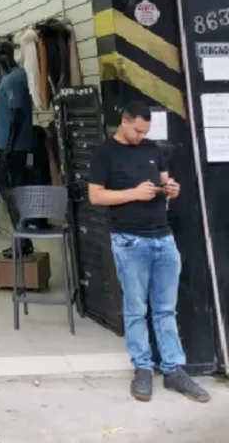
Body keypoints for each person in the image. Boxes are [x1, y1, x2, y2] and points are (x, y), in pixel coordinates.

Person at [88, 100, 209, 404]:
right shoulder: (105, 153)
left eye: (146, 131)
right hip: (129, 240)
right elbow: (96, 196)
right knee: (135, 309)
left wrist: (171, 188)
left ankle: (173, 369)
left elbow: (164, 179)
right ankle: (142, 367)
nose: (142, 136)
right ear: (125, 121)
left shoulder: (153, 149)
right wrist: (134, 193)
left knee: (166, 308)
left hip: (163, 237)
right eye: (138, 130)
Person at [0, 54, 34, 256]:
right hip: (13, 145)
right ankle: (22, 239)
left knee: (12, 194)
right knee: (12, 193)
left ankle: (22, 241)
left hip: (13, 148)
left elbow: (16, 115)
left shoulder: (14, 79)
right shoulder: (15, 77)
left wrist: (8, 148)